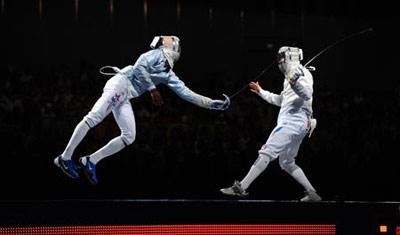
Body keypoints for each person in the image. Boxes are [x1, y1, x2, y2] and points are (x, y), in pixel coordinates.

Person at [54, 36, 230, 184]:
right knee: (93, 118)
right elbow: (139, 66)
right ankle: (65, 157)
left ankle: (90, 160)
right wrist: (152, 89)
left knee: (129, 136)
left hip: (125, 96)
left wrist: (212, 104)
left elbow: (187, 93)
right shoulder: (156, 53)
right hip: (120, 84)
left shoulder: (169, 74)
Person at [220, 46, 321, 202]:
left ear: (291, 57)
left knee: (267, 152)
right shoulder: (290, 76)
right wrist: (261, 92)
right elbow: (281, 100)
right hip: (298, 123)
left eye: (282, 58)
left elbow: (306, 95)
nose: (280, 62)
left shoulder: (303, 73)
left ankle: (241, 187)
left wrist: (294, 82)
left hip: (292, 121)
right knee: (286, 162)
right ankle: (312, 192)